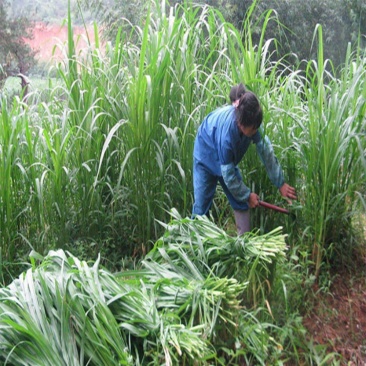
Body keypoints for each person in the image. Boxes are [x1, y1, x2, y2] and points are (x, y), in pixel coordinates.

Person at [192, 83, 297, 235]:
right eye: (252, 129)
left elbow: (265, 151)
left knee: (240, 201)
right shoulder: (227, 137)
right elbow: (228, 176)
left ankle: (244, 243)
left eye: (256, 128)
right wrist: (247, 195)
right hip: (205, 153)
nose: (255, 132)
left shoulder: (251, 120)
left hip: (224, 158)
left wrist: (280, 183)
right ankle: (195, 245)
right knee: (201, 208)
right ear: (241, 125)